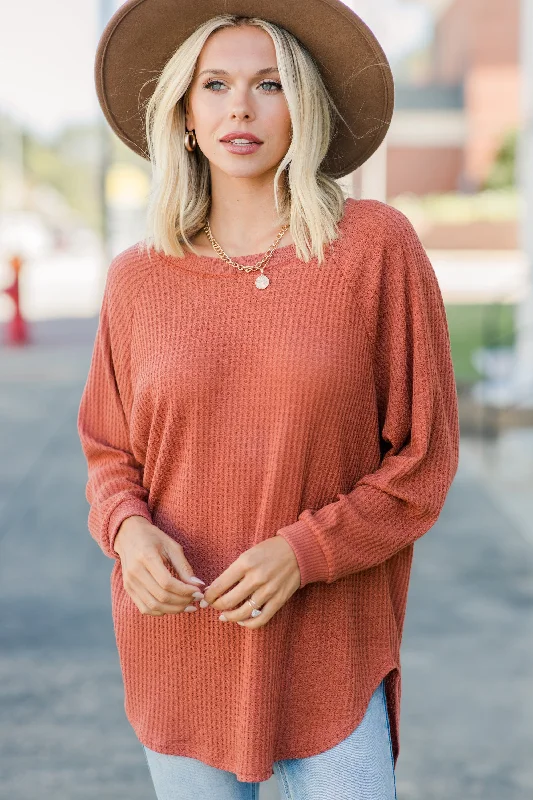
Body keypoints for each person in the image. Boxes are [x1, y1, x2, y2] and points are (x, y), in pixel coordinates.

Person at [78, 1, 460, 798]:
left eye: (269, 83)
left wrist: (303, 551)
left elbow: (422, 460)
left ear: (305, 107)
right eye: (214, 85)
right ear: (184, 113)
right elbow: (110, 454)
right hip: (179, 652)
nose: (240, 107)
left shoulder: (373, 250)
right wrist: (130, 533)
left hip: (328, 658)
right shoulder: (138, 279)